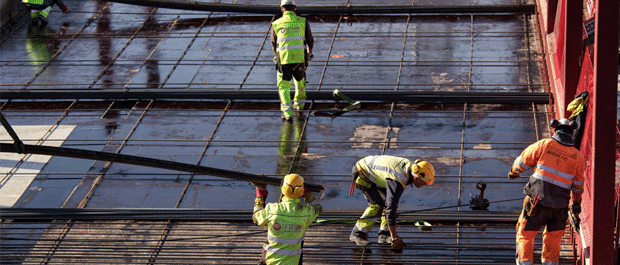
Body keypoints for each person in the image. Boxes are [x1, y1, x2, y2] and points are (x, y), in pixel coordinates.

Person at [508, 118, 584, 265]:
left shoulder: (545, 144)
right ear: (572, 131)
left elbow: (524, 159)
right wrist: (576, 204)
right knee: (553, 238)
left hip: (537, 201)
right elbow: (578, 186)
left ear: (555, 128)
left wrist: (514, 171)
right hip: (560, 206)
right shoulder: (578, 157)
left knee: (525, 234)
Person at [348, 155, 435, 251]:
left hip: (378, 173)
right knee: (377, 205)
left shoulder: (411, 169)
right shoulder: (398, 178)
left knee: (389, 204)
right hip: (363, 173)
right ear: (416, 178)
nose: (424, 185)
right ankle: (357, 233)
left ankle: (384, 235)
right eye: (423, 183)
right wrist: (395, 237)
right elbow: (391, 208)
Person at [253, 174, 322, 265]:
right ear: (301, 191)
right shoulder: (306, 213)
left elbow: (256, 217)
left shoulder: (272, 209)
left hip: (270, 261)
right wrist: (309, 195)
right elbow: (317, 208)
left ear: (283, 189)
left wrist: (260, 196)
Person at [271, 0, 313, 122]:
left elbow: (274, 45)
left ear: (282, 9)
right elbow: (310, 41)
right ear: (295, 8)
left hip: (283, 61)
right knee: (300, 83)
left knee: (284, 86)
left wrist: (277, 56)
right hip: (300, 60)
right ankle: (299, 106)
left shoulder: (276, 24)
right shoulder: (303, 22)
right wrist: (309, 55)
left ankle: (287, 113)